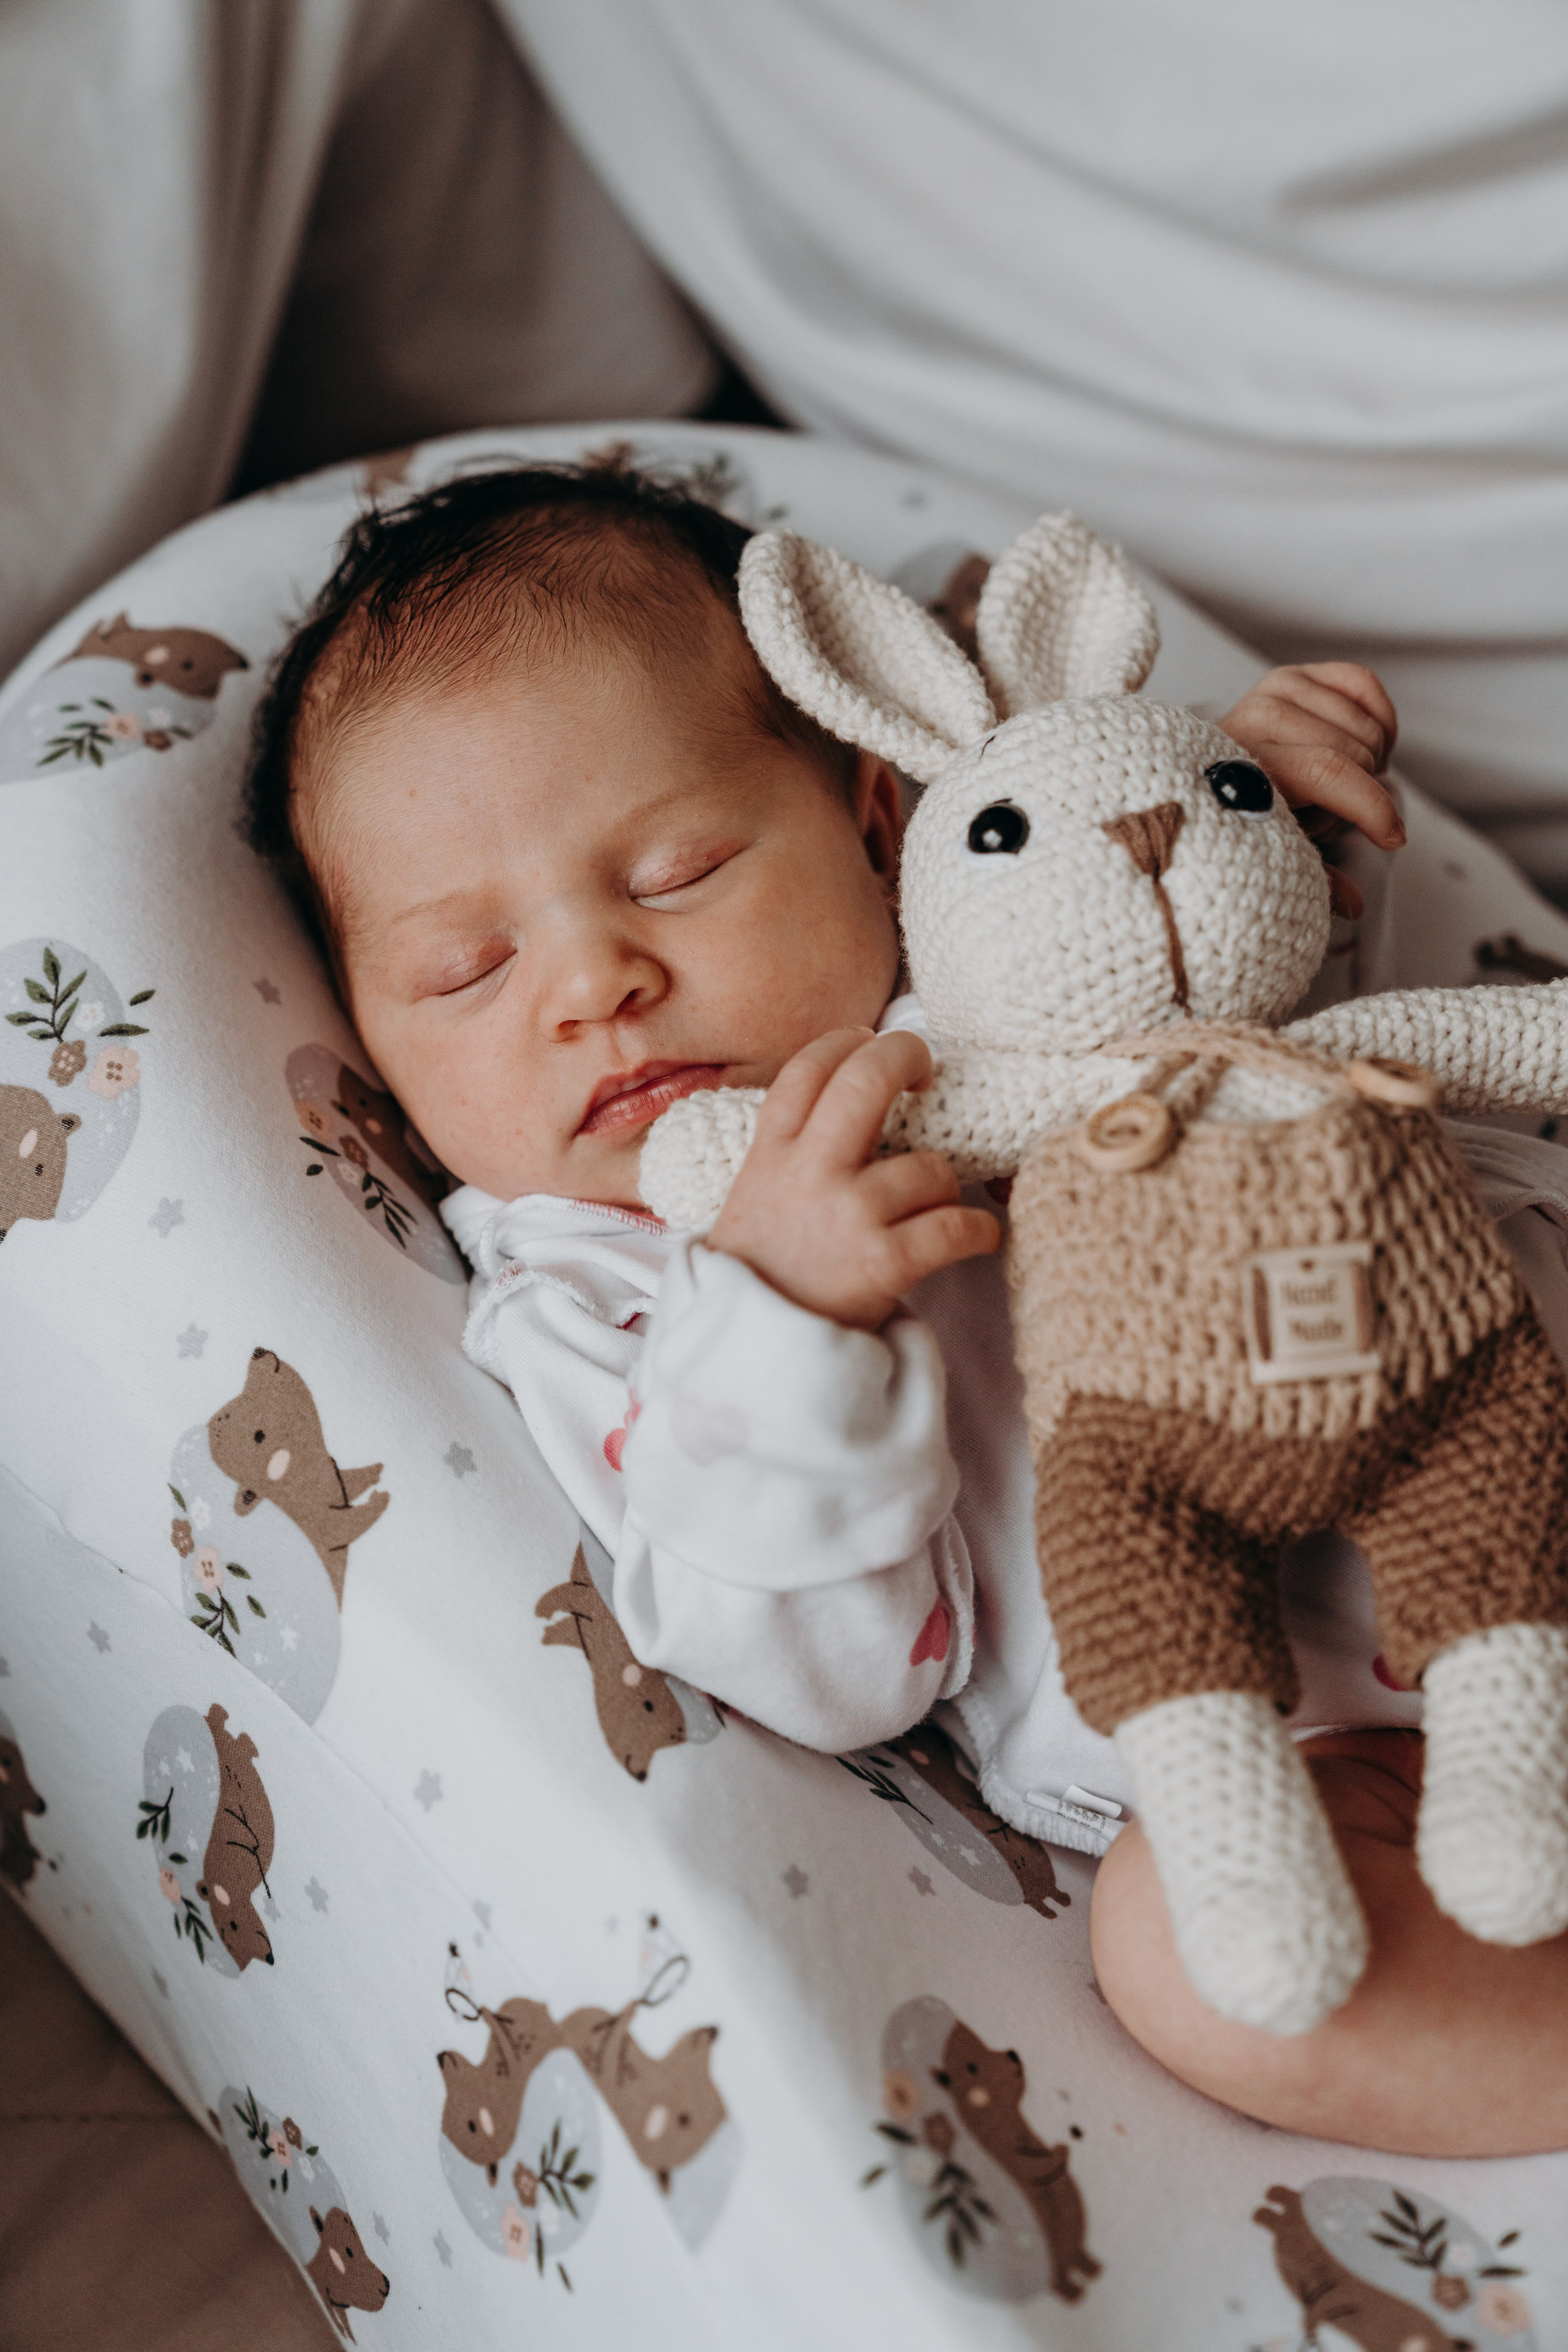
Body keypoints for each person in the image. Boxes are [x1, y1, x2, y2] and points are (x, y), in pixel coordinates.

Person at [243, 461, 1568, 2153]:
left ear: (877, 824)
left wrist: (1256, 822)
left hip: (1509, 1427)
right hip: (1315, 1755)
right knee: (1192, 1956)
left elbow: (1284, 1061)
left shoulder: (1000, 984)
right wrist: (789, 1320)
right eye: (468, 972)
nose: (592, 983)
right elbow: (831, 1669)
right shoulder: (597, 1287)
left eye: (674, 870)